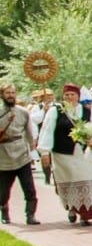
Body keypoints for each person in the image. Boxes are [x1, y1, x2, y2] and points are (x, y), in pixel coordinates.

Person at [37, 83, 92, 226]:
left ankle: (86, 214)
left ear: (78, 96)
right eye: (67, 95)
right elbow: (47, 130)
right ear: (63, 96)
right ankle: (71, 209)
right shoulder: (56, 111)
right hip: (63, 154)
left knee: (87, 179)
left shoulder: (87, 111)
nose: (70, 97)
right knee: (70, 182)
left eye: (73, 95)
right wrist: (45, 151)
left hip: (83, 154)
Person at [0, 82, 40, 225]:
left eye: (13, 93)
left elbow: (29, 132)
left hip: (21, 154)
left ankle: (30, 215)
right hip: (3, 155)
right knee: (3, 191)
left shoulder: (23, 112)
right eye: (7, 93)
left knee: (29, 187)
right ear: (2, 95)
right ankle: (4, 212)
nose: (11, 95)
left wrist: (32, 148)